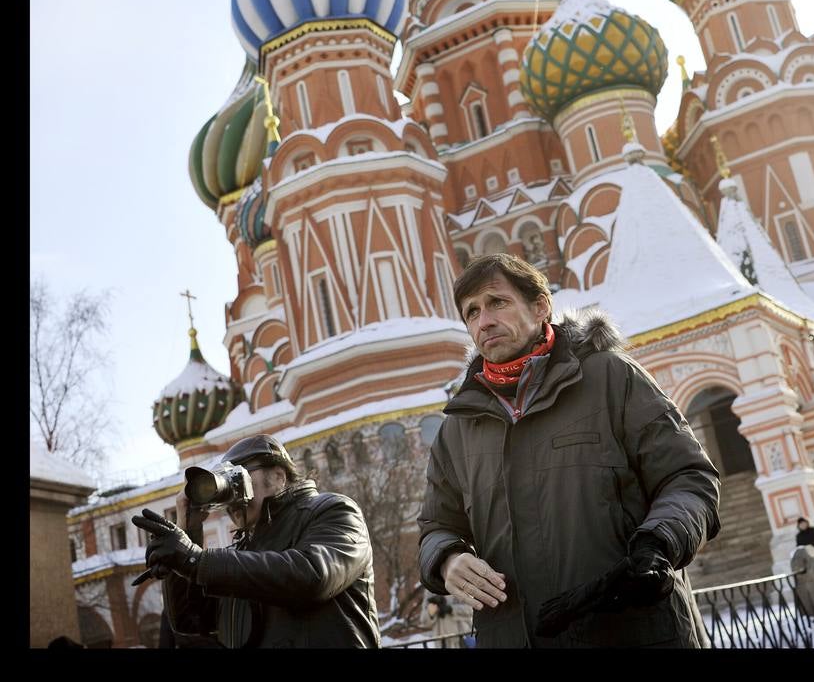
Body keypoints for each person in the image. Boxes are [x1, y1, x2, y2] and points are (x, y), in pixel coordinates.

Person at [418, 254, 721, 648]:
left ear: (541, 306)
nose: (484, 321)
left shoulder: (610, 378)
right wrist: (447, 559)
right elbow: (435, 526)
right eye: (471, 312)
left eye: (497, 302)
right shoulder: (457, 428)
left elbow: (689, 477)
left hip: (633, 631)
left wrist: (658, 544)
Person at [132, 433, 381, 648]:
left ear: (279, 476)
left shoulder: (333, 511)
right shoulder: (241, 554)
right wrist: (188, 537)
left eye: (240, 477)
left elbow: (314, 575)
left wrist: (197, 561)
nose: (233, 495)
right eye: (226, 484)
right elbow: (191, 620)